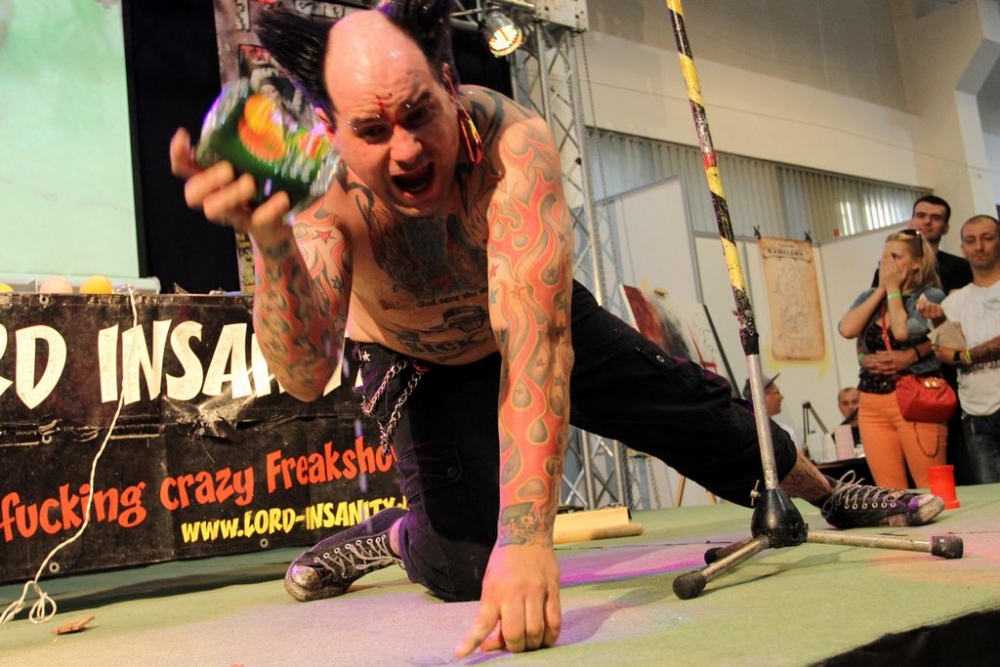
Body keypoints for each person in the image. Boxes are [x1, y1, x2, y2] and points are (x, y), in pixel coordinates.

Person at [169, 3, 944, 657]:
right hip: (415, 358)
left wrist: (530, 539)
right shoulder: (321, 196)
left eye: (419, 115)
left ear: (449, 84)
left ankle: (832, 492)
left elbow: (534, 342)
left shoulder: (513, 144)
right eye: (372, 130)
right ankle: (398, 535)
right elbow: (305, 376)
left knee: (697, 411)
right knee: (464, 569)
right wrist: (270, 244)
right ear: (330, 127)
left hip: (533, 317)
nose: (405, 152)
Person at [840, 230, 949, 489]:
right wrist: (882, 289)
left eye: (896, 257)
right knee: (889, 490)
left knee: (931, 485)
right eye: (884, 257)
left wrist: (892, 290)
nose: (887, 264)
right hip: (872, 403)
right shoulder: (870, 296)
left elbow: (901, 331)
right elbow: (847, 329)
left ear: (917, 263)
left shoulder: (930, 296)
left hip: (915, 398)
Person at [918, 215, 1000, 483]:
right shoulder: (953, 303)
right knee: (992, 498)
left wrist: (965, 355)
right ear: (963, 248)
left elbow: (959, 354)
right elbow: (946, 353)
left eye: (987, 238)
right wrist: (939, 321)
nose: (979, 246)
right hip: (975, 412)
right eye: (971, 241)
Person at [741, 373, 796, 442]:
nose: (781, 397)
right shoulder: (749, 436)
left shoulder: (785, 431)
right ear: (760, 398)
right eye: (777, 393)